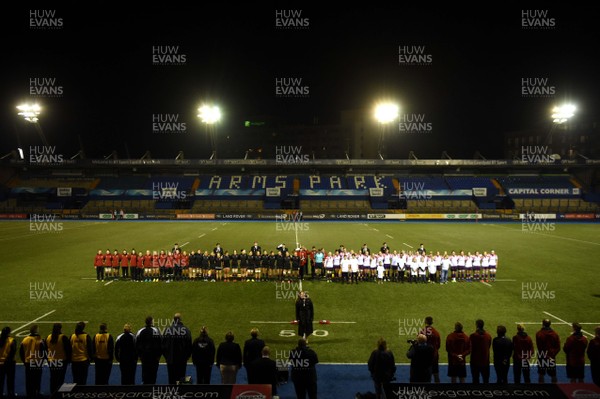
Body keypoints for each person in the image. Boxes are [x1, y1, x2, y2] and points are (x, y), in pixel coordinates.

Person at [162, 313, 192, 384]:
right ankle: (180, 393)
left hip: (170, 360)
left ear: (174, 320)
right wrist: (187, 357)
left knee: (171, 379)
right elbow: (189, 346)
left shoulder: (167, 330)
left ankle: (172, 393)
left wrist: (167, 357)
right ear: (180, 320)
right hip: (182, 360)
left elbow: (163, 345)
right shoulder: (186, 330)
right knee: (181, 379)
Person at [20, 325, 45, 399]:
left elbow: (21, 352)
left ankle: (29, 394)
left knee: (29, 379)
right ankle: (37, 393)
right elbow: (43, 352)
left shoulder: (25, 339)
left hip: (28, 362)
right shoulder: (39, 340)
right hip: (37, 362)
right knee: (37, 379)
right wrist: (42, 361)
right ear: (36, 331)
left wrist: (24, 361)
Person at [46, 323, 71, 394]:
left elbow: (46, 349)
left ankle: (53, 393)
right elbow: (68, 349)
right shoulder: (63, 337)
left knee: (53, 378)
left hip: (51, 360)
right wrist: (68, 359)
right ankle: (60, 393)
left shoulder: (48, 337)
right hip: (61, 360)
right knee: (60, 378)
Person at [136, 316, 162, 384]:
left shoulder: (140, 331)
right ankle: (152, 384)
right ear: (151, 322)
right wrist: (159, 355)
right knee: (153, 372)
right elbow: (160, 343)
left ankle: (145, 385)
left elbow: (137, 344)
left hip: (144, 356)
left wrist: (140, 355)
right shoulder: (156, 331)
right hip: (154, 357)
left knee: (145, 371)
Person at [535, 319, 560, 383]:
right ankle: (555, 389)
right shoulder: (555, 334)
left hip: (542, 356)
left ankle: (541, 389)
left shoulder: (539, 334)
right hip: (551, 357)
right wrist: (552, 355)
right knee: (553, 375)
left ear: (542, 324)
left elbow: (539, 347)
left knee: (541, 374)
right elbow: (558, 347)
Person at [70, 321, 93, 386]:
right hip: (83, 361)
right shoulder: (86, 336)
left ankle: (75, 393)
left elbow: (69, 348)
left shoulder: (72, 336)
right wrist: (91, 358)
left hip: (74, 361)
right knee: (83, 379)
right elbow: (90, 349)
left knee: (75, 379)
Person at [469, 319, 492, 383]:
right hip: (485, 361)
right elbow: (488, 346)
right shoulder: (488, 336)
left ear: (476, 325)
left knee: (475, 380)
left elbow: (470, 347)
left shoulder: (473, 336)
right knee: (486, 380)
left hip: (475, 362)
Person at [421, 316, 441, 383]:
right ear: (432, 322)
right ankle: (438, 390)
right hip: (434, 356)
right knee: (436, 374)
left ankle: (427, 390)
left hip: (424, 357)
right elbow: (438, 345)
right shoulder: (436, 332)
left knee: (425, 375)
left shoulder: (422, 332)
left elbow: (419, 343)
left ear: (425, 321)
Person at [0, 327, 16, 399]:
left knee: (1, 380)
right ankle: (10, 393)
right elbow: (13, 351)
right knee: (10, 380)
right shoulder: (12, 340)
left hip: (0, 363)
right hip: (9, 363)